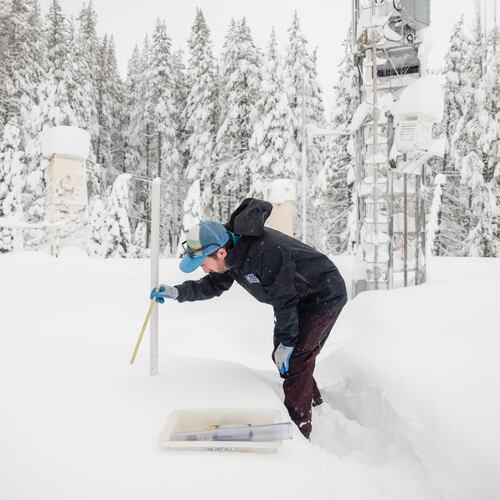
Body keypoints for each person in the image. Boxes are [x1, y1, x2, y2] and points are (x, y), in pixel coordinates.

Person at [150, 198, 347, 439]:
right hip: (296, 297)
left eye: (203, 263)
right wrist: (178, 292)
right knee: (287, 357)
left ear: (220, 252)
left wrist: (286, 342)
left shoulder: (263, 253)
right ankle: (313, 401)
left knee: (296, 358)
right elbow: (215, 284)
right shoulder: (231, 251)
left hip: (322, 294)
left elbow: (285, 302)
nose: (204, 269)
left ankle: (299, 430)